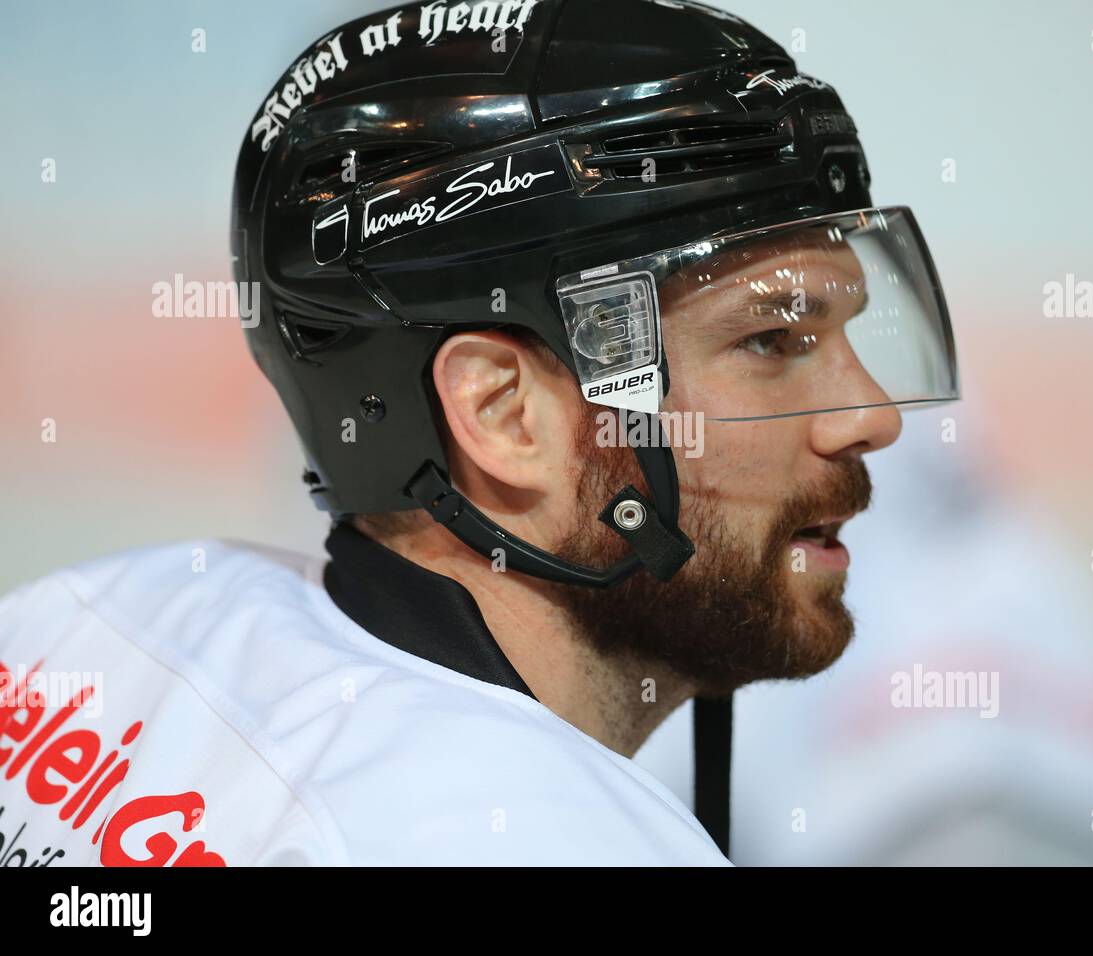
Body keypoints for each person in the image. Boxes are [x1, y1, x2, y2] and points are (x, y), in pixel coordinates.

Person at [0, 0, 958, 866]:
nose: (868, 415)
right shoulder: (543, 840)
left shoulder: (86, 621)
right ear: (502, 413)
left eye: (844, 330)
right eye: (768, 340)